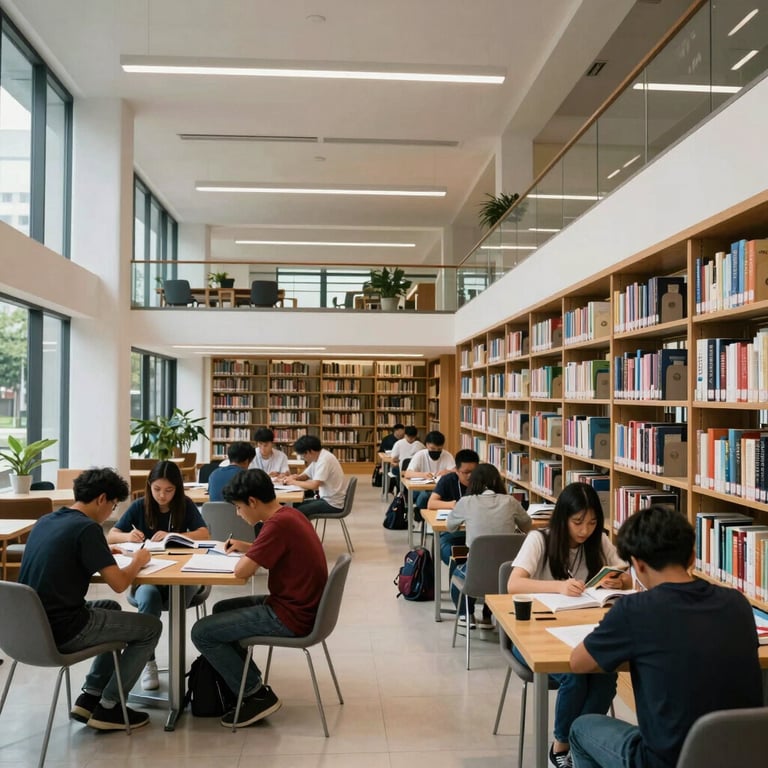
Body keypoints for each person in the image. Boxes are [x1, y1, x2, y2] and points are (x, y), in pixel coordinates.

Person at [569, 505, 763, 768]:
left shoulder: (635, 610)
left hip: (665, 761)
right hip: (743, 756)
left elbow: (578, 663)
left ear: (637, 564)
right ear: (693, 556)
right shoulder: (737, 603)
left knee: (581, 728)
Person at [19, 467, 161, 731]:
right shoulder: (87, 529)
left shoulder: (46, 520)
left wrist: (102, 550)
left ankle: (90, 695)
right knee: (150, 628)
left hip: (30, 628)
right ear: (101, 499)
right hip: (65, 629)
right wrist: (139, 561)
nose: (112, 512)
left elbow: (63, 551)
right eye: (114, 505)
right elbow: (119, 583)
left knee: (108, 608)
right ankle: (111, 707)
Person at [506, 482, 631, 768]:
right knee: (574, 676)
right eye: (578, 522)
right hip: (534, 635)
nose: (585, 530)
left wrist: (619, 581)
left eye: (592, 522)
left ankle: (580, 746)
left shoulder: (598, 542)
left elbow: (625, 574)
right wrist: (558, 587)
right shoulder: (540, 539)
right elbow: (514, 583)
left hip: (583, 630)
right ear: (563, 517)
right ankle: (560, 747)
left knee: (604, 672)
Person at [191, 469, 328, 728]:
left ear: (252, 502)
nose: (238, 513)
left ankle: (255, 694)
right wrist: (248, 547)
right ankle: (240, 683)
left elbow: (242, 571)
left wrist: (246, 556)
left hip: (290, 616)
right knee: (221, 609)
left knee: (201, 632)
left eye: (238, 507)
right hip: (299, 605)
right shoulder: (289, 514)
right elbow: (273, 550)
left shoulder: (277, 525)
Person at [107, 460, 210, 690]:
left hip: (182, 575)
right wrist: (128, 537)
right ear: (149, 486)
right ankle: (148, 661)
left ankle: (177, 659)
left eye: (168, 490)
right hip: (148, 576)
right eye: (157, 489)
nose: (162, 496)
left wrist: (178, 534)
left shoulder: (185, 505)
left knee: (177, 598)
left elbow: (204, 533)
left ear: (178, 488)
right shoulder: (139, 506)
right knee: (149, 597)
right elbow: (112, 535)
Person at [447, 463, 532, 627]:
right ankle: (488, 614)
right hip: (508, 574)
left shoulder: (466, 502)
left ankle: (466, 614)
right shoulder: (510, 502)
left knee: (457, 570)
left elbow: (450, 527)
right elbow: (527, 526)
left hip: (476, 575)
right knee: (495, 565)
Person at [426, 449, 479, 567]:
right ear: (456, 471)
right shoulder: (448, 480)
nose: (470, 476)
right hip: (452, 533)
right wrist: (452, 504)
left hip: (477, 533)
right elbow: (431, 503)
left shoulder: (482, 482)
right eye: (466, 472)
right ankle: (456, 583)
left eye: (473, 472)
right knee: (453, 554)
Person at [282, 435, 346, 517]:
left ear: (310, 451)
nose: (303, 458)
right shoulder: (317, 458)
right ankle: (302, 528)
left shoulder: (324, 460)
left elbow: (314, 485)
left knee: (298, 511)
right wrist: (295, 477)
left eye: (303, 455)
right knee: (296, 505)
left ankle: (304, 529)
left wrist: (293, 482)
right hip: (326, 498)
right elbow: (306, 475)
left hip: (332, 503)